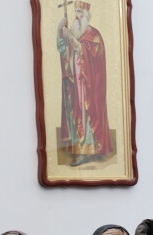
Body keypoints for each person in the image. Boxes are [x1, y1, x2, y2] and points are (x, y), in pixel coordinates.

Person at [57, 1, 113, 167]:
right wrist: (60, 31)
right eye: (76, 11)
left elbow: (85, 52)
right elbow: (64, 51)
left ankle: (87, 151)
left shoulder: (93, 35)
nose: (77, 15)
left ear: (87, 15)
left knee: (86, 115)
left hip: (89, 87)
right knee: (75, 114)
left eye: (80, 12)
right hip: (75, 83)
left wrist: (71, 38)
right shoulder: (75, 31)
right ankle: (79, 149)